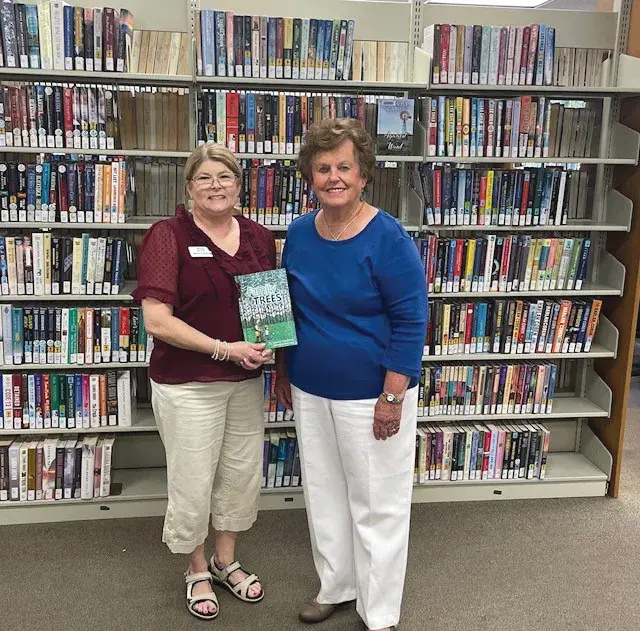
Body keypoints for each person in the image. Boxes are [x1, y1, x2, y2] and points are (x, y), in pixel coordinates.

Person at [275, 118, 428, 631]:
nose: (333, 177)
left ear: (364, 174)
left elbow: (411, 321)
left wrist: (393, 396)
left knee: (378, 503)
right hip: (310, 387)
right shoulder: (299, 233)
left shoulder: (389, 239)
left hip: (371, 394)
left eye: (344, 167)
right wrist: (281, 367)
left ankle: (379, 612)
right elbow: (288, 308)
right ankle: (336, 586)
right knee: (323, 495)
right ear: (309, 176)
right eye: (323, 168)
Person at [133, 143, 275, 620]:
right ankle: (195, 568)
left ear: (239, 185)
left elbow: (266, 308)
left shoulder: (258, 236)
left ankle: (224, 560)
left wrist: (267, 343)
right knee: (193, 480)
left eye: (226, 176)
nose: (216, 186)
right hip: (188, 384)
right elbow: (157, 321)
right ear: (189, 187)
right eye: (205, 178)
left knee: (240, 475)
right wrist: (224, 348)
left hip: (245, 381)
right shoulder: (168, 235)